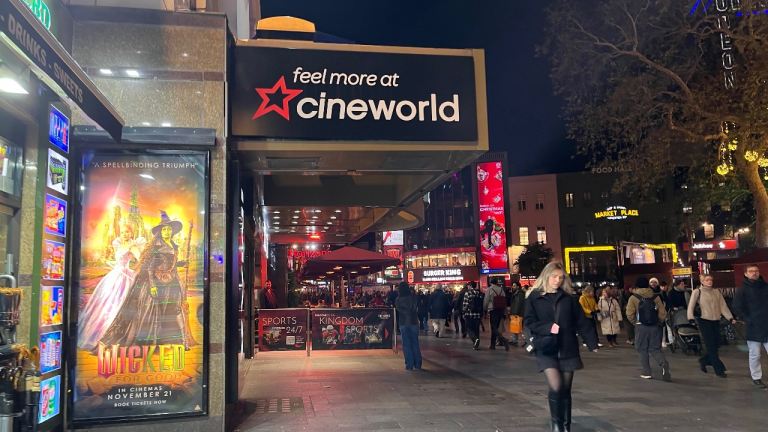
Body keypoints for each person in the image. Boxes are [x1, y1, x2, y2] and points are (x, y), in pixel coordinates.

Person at [100, 211, 194, 350]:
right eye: (164, 229)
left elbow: (170, 263)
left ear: (172, 231)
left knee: (175, 309)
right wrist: (153, 285)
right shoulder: (156, 246)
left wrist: (181, 263)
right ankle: (153, 343)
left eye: (169, 229)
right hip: (156, 281)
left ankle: (184, 341)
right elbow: (150, 267)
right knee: (155, 311)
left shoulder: (174, 246)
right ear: (160, 232)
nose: (167, 232)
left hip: (172, 282)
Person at [525, 261, 597, 432]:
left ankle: (566, 425)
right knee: (556, 386)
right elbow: (529, 322)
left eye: (560, 277)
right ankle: (557, 424)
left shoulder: (569, 298)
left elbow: (581, 321)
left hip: (567, 347)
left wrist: (592, 342)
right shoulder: (534, 297)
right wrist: (547, 327)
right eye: (554, 277)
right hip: (546, 347)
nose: (557, 280)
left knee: (565, 389)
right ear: (546, 276)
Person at [78, 223, 146, 351]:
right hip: (115, 274)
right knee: (107, 302)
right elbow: (118, 260)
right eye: (123, 232)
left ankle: (118, 336)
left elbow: (141, 259)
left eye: (127, 232)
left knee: (119, 302)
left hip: (124, 276)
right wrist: (111, 263)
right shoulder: (118, 244)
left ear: (131, 233)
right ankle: (103, 335)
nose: (124, 234)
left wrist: (136, 271)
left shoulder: (133, 246)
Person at [688, 274, 735, 377]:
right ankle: (719, 369)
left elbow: (723, 306)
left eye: (711, 280)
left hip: (716, 320)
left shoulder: (716, 292)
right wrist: (691, 318)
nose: (709, 281)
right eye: (707, 280)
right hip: (704, 321)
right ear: (702, 281)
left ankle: (704, 360)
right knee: (711, 345)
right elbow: (691, 306)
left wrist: (730, 317)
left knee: (717, 343)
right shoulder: (697, 292)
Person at [626, 276, 670, 381]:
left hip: (641, 327)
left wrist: (636, 323)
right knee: (654, 348)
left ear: (637, 286)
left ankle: (646, 372)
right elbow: (663, 313)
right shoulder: (655, 297)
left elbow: (629, 314)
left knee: (642, 349)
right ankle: (663, 363)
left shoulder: (633, 298)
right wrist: (658, 322)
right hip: (654, 326)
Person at [733, 264, 768, 389]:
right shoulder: (742, 290)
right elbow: (737, 306)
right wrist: (747, 318)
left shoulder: (765, 287)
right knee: (755, 354)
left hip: (766, 325)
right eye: (751, 271)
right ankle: (756, 377)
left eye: (756, 270)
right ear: (746, 274)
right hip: (753, 326)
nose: (754, 273)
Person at [395, 282, 422, 371]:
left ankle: (409, 364)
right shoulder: (413, 298)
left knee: (406, 344)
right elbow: (415, 308)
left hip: (403, 322)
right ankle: (418, 364)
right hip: (414, 322)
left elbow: (399, 310)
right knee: (415, 343)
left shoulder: (398, 299)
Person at [484, 277, 510, 350]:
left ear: (490, 282)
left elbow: (486, 301)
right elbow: (504, 300)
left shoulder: (489, 289)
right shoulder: (501, 289)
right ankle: (493, 345)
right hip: (500, 310)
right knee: (496, 327)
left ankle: (503, 340)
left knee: (493, 328)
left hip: (493, 310)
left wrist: (485, 309)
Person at [462, 281, 483, 350]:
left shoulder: (468, 293)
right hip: (477, 314)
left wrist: (463, 312)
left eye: (468, 285)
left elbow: (465, 304)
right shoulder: (479, 293)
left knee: (469, 329)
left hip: (469, 314)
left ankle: (475, 339)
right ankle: (476, 345)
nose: (468, 287)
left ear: (470, 286)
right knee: (476, 330)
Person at [509, 282, 526, 346]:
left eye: (514, 286)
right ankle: (514, 340)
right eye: (512, 286)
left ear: (518, 287)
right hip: (516, 312)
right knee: (515, 326)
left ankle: (526, 341)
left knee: (520, 327)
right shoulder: (516, 293)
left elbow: (518, 304)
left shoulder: (520, 294)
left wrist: (515, 313)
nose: (513, 287)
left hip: (518, 313)